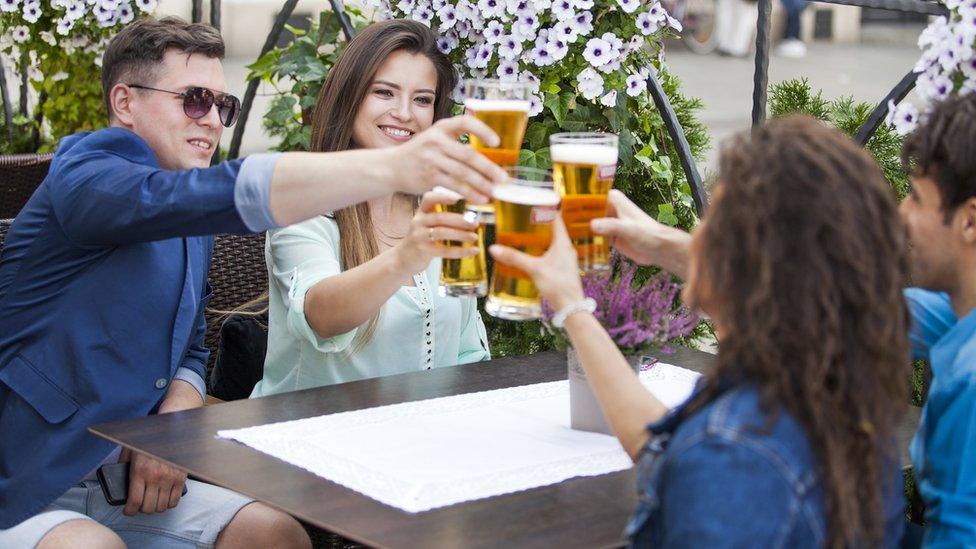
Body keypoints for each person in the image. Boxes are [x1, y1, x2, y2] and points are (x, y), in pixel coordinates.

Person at [0, 16, 504, 548]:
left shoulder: (189, 228)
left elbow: (191, 350)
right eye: (194, 100)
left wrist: (169, 429)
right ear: (125, 103)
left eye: (224, 106)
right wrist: (394, 167)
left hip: (130, 488)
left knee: (273, 534)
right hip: (29, 482)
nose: (213, 121)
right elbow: (204, 202)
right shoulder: (87, 173)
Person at [490, 116, 908, 546]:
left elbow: (706, 463)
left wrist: (570, 302)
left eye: (713, 220)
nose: (698, 232)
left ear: (739, 262)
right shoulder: (843, 398)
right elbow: (660, 453)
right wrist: (582, 302)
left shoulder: (727, 456)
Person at [250, 20, 490, 398]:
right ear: (351, 96)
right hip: (306, 437)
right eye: (384, 92)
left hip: (426, 440)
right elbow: (321, 317)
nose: (405, 113)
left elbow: (466, 351)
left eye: (422, 99)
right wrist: (405, 258)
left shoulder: (443, 205)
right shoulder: (305, 204)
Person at [897, 93, 976, 546]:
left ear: (969, 221)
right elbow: (861, 315)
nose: (902, 214)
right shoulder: (958, 311)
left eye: (915, 197)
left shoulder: (970, 382)